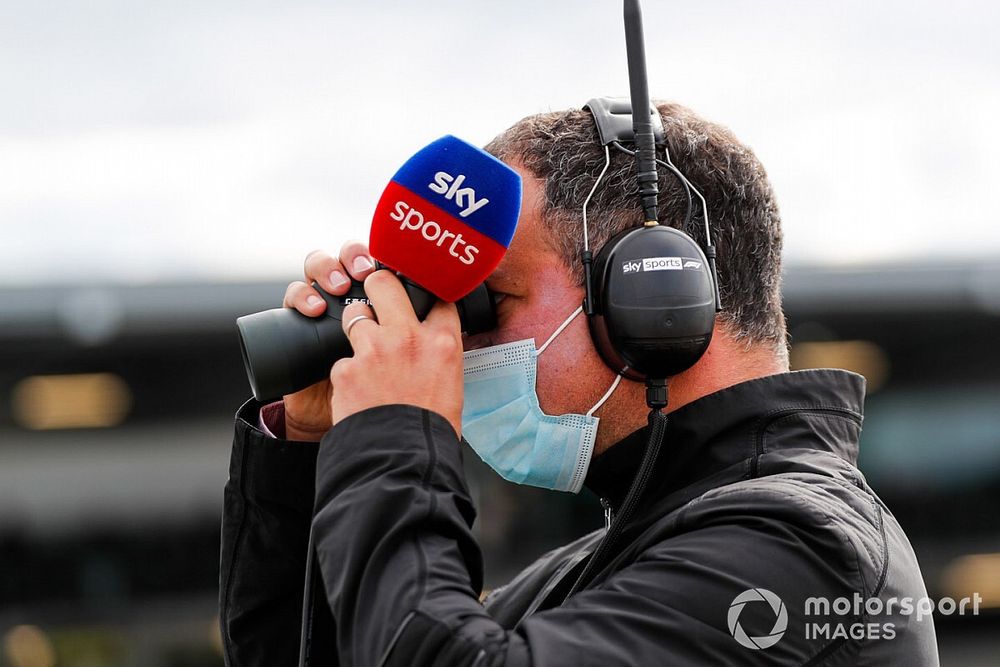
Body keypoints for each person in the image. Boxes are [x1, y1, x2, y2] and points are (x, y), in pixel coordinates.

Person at [219, 103, 940, 665]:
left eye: (485, 301)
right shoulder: (608, 564)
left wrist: (395, 432)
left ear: (652, 298)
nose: (458, 340)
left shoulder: (802, 551)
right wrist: (313, 447)